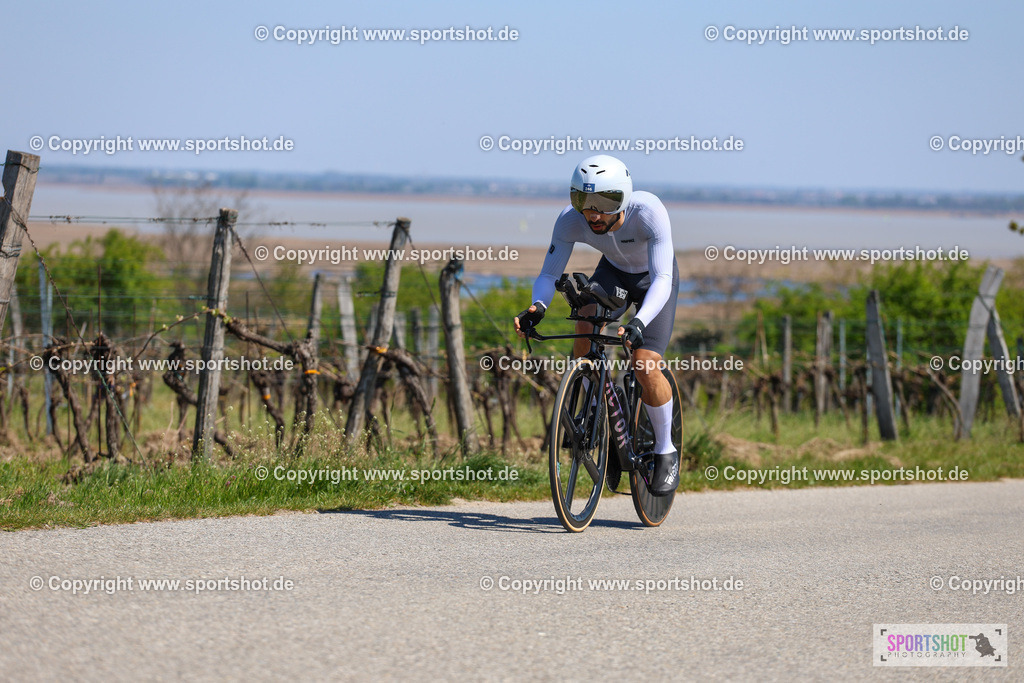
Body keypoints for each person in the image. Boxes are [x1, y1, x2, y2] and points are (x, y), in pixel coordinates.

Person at [514, 155, 680, 496]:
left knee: (645, 364)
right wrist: (538, 307)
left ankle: (666, 450)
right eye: (583, 201)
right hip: (614, 273)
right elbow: (548, 274)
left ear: (624, 197)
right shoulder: (569, 220)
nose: (593, 214)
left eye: (604, 203)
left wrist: (638, 321)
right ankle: (593, 404)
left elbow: (663, 278)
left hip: (655, 281)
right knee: (585, 319)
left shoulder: (648, 211)